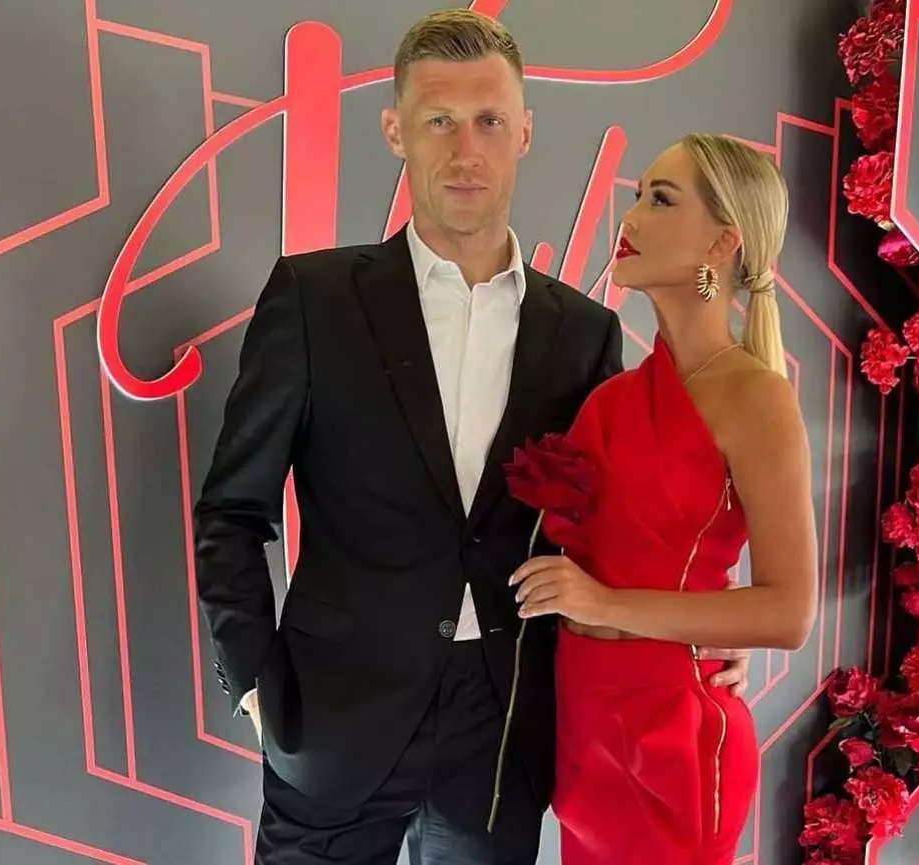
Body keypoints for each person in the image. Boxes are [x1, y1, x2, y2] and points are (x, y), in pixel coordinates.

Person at [192, 10, 750, 865]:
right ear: (396, 131)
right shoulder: (313, 298)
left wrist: (697, 626)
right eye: (439, 120)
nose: (466, 150)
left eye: (489, 120)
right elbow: (232, 511)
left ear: (524, 132)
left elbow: (615, 528)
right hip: (334, 719)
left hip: (504, 725)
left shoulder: (584, 334)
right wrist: (255, 687)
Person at [509, 134, 818, 864]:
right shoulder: (610, 400)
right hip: (585, 722)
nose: (632, 216)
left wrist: (604, 604)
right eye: (637, 194)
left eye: (661, 198)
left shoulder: (757, 396)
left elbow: (788, 613)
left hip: (674, 738)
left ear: (722, 242)